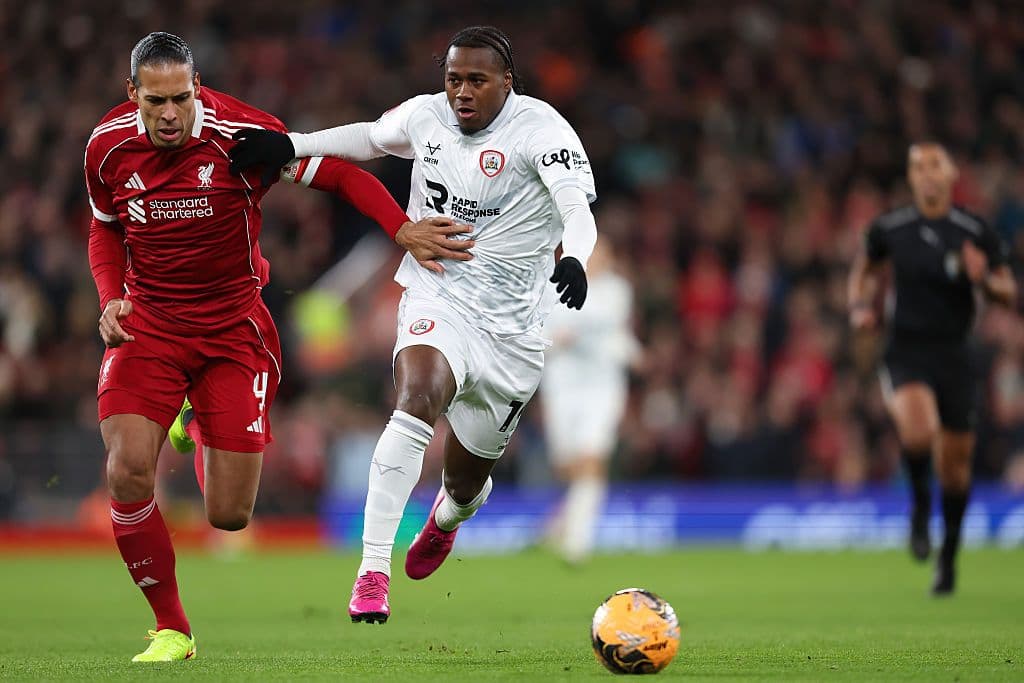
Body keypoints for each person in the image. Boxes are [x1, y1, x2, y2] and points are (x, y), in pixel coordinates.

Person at [85, 32, 471, 661]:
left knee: (229, 515)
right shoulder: (105, 148)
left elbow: (339, 173)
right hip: (149, 325)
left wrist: (400, 228)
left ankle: (196, 418)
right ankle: (172, 628)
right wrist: (109, 297)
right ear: (133, 94)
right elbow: (104, 230)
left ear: (197, 87)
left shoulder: (241, 135)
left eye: (181, 98)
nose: (170, 114)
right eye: (155, 101)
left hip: (232, 332)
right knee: (126, 469)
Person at [229, 25, 597, 624]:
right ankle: (372, 572)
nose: (462, 92)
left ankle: (448, 517)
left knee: (466, 483)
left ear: (508, 82)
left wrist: (575, 257)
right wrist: (290, 144)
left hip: (513, 335)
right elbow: (369, 139)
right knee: (416, 399)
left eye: (477, 80)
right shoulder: (427, 116)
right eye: (453, 79)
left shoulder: (543, 132)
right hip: (439, 294)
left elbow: (576, 209)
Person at [848, 142, 1016, 596]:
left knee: (956, 470)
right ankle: (921, 509)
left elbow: (1008, 289)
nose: (926, 173)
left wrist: (983, 279)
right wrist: (860, 306)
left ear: (951, 173)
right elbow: (864, 269)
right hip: (906, 350)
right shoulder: (891, 228)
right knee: (919, 432)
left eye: (934, 165)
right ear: (911, 177)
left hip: (956, 355)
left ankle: (948, 559)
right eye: (918, 167)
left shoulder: (973, 229)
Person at [539, 237, 637, 565]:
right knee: (566, 466)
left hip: (602, 386)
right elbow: (542, 333)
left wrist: (571, 329)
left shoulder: (617, 290)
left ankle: (577, 541)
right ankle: (561, 521)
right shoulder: (552, 285)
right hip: (562, 386)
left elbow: (606, 322)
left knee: (592, 457)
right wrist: (558, 337)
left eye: (601, 254)